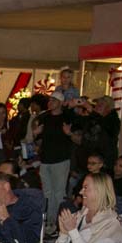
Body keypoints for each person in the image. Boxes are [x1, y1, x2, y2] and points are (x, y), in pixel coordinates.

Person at [31, 91, 76, 230]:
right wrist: (35, 134)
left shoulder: (67, 117)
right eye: (50, 100)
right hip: (46, 160)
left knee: (59, 192)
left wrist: (69, 133)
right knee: (47, 192)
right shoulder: (44, 118)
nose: (51, 103)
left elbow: (75, 137)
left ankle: (57, 222)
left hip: (61, 160)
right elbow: (37, 140)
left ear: (61, 103)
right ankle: (48, 221)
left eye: (54, 100)